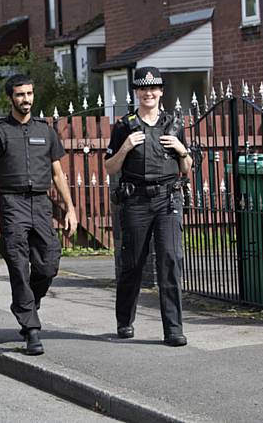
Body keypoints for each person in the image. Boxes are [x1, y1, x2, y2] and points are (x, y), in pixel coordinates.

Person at [0, 74, 77, 355]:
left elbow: (58, 173)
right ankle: (31, 329)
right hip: (11, 204)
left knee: (48, 264)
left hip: (41, 204)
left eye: (30, 94)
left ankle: (27, 304)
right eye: (20, 94)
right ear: (10, 97)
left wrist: (70, 208)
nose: (26, 99)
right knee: (19, 267)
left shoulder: (45, 131)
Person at [104, 66, 192, 347]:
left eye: (153, 88)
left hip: (168, 199)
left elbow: (187, 168)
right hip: (136, 201)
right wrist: (126, 147)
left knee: (170, 261)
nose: (148, 93)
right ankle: (125, 320)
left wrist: (182, 150)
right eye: (143, 88)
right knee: (133, 265)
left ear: (161, 91)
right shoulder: (124, 126)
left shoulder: (174, 124)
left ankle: (173, 330)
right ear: (137, 92)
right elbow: (109, 167)